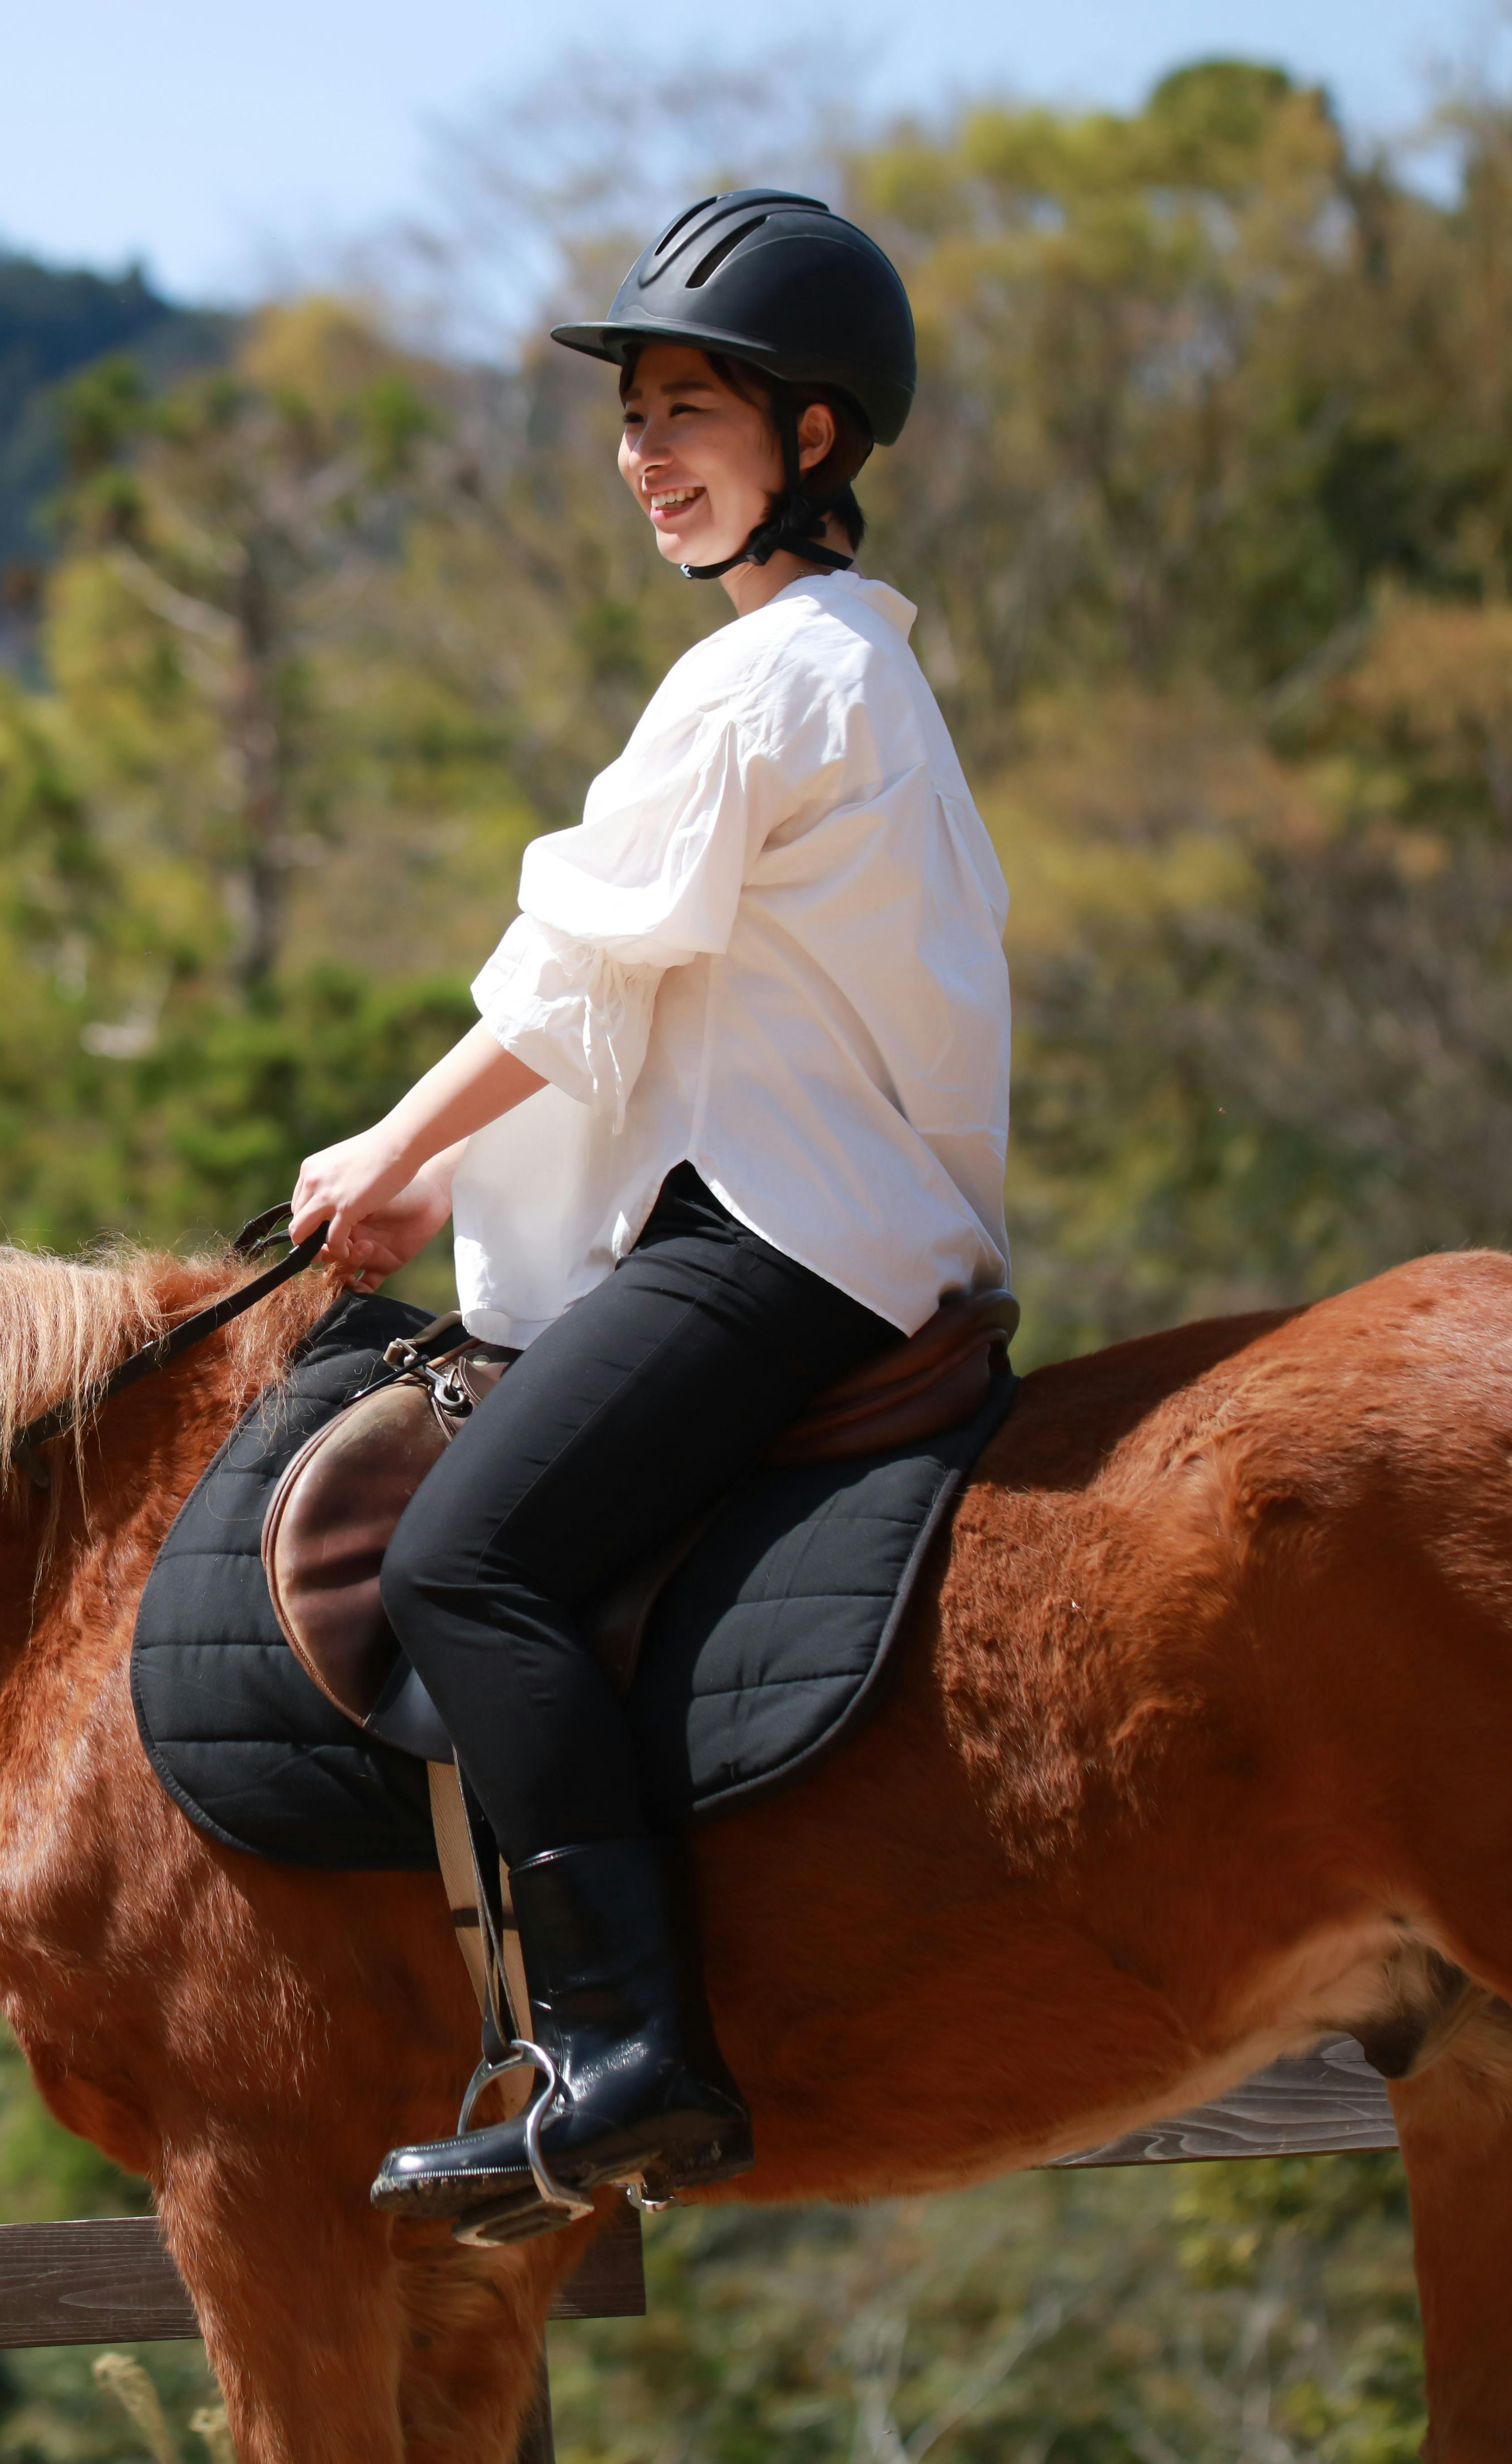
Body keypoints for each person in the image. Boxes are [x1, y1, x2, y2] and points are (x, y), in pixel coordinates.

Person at [284, 191, 1011, 2221]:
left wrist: (389, 1145)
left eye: (690, 408)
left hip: (787, 1235)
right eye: (633, 416)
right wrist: (450, 1166)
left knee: (465, 1564)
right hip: (803, 1210)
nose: (644, 453)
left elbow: (578, 974)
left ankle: (627, 2056)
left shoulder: (769, 680)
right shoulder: (841, 673)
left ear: (812, 436)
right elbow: (668, 1014)